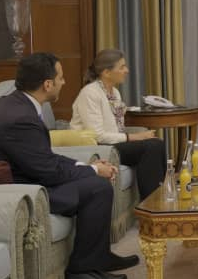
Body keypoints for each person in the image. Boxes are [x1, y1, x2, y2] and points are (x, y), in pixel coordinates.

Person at [0, 53, 136, 279]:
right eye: (61, 78)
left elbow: (44, 159)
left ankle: (99, 258)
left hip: (21, 178)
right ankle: (82, 272)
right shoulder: (20, 117)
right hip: (10, 192)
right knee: (96, 188)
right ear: (47, 84)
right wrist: (93, 171)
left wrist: (89, 167)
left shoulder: (16, 104)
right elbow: (48, 171)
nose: (63, 82)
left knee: (94, 182)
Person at [71, 48, 166, 200]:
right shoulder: (89, 93)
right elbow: (97, 136)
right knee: (151, 146)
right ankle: (152, 203)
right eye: (122, 67)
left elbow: (116, 126)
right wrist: (134, 137)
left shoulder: (115, 92)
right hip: (97, 147)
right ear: (106, 72)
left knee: (157, 143)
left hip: (112, 144)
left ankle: (158, 199)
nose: (126, 70)